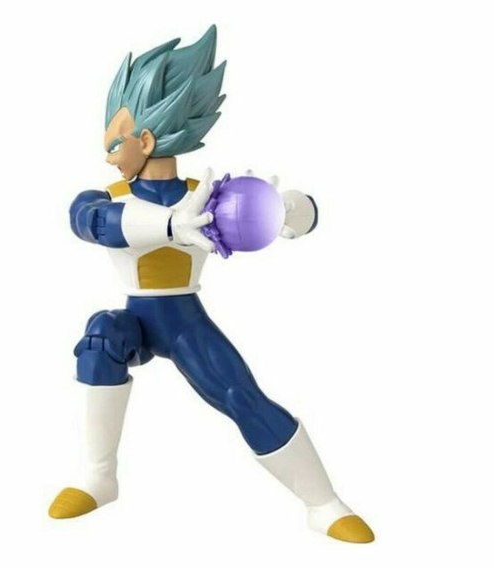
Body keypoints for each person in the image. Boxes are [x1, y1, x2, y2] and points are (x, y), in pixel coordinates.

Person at [48, 25, 374, 544]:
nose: (109, 154)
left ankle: (324, 503)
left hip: (185, 324)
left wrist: (286, 209)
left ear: (145, 140)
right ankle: (97, 477)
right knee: (100, 337)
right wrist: (172, 225)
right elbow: (90, 221)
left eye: (115, 141)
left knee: (240, 395)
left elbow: (306, 213)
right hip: (136, 320)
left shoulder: (208, 195)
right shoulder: (109, 196)